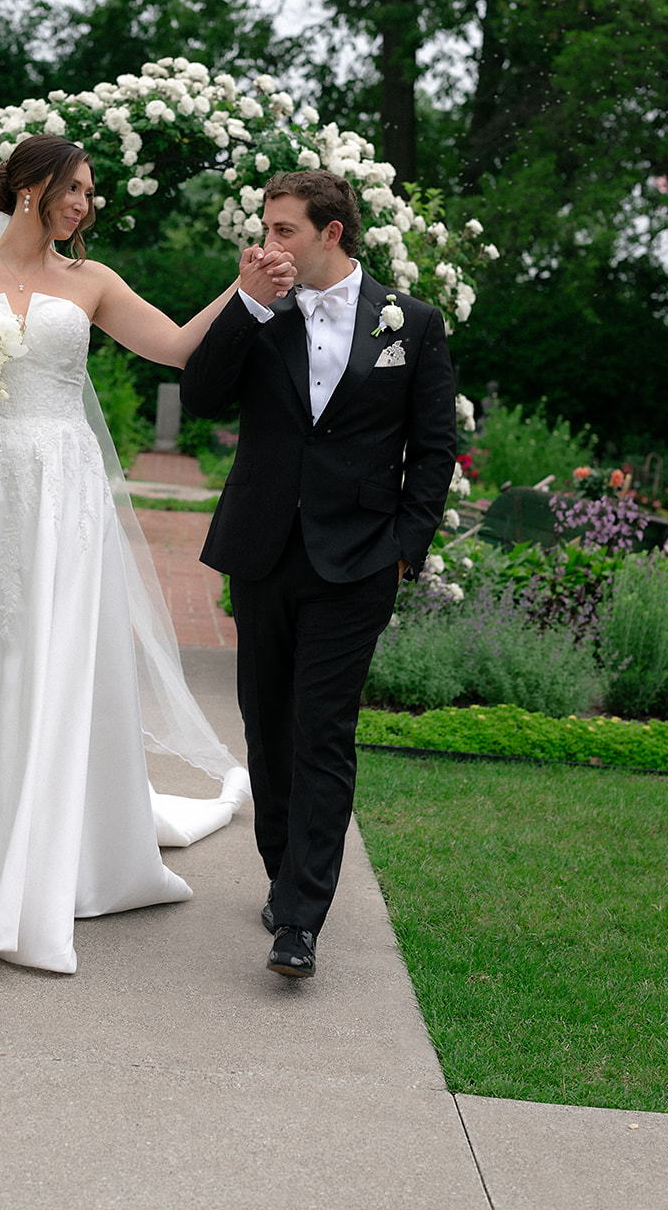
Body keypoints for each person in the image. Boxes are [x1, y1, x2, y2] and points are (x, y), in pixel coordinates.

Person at [0, 133, 294, 975]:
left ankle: (35, 824)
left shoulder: (94, 283)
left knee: (43, 649)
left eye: (90, 191)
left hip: (60, 488)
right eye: (75, 188)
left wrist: (244, 290)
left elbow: (178, 347)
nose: (85, 203)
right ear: (31, 189)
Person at [180, 169, 457, 979]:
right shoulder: (260, 310)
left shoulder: (413, 322)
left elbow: (431, 447)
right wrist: (246, 303)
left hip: (359, 560)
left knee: (323, 735)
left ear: (330, 233)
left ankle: (301, 919)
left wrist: (405, 545)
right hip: (263, 550)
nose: (268, 244)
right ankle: (279, 875)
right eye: (267, 229)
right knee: (267, 727)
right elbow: (199, 396)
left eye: (283, 230)